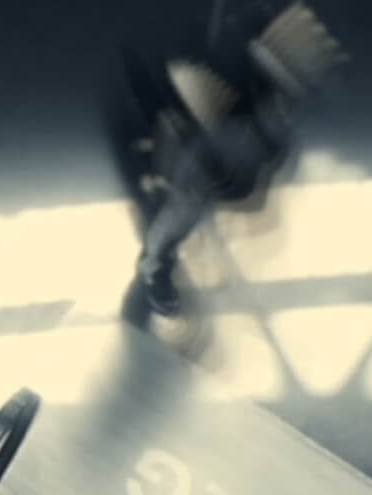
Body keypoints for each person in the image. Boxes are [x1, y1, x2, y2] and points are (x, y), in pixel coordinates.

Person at [116, 3, 344, 317]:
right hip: (208, 145)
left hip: (224, 132)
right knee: (183, 204)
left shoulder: (264, 120)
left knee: (193, 181)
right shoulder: (230, 134)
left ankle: (157, 258)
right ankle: (154, 265)